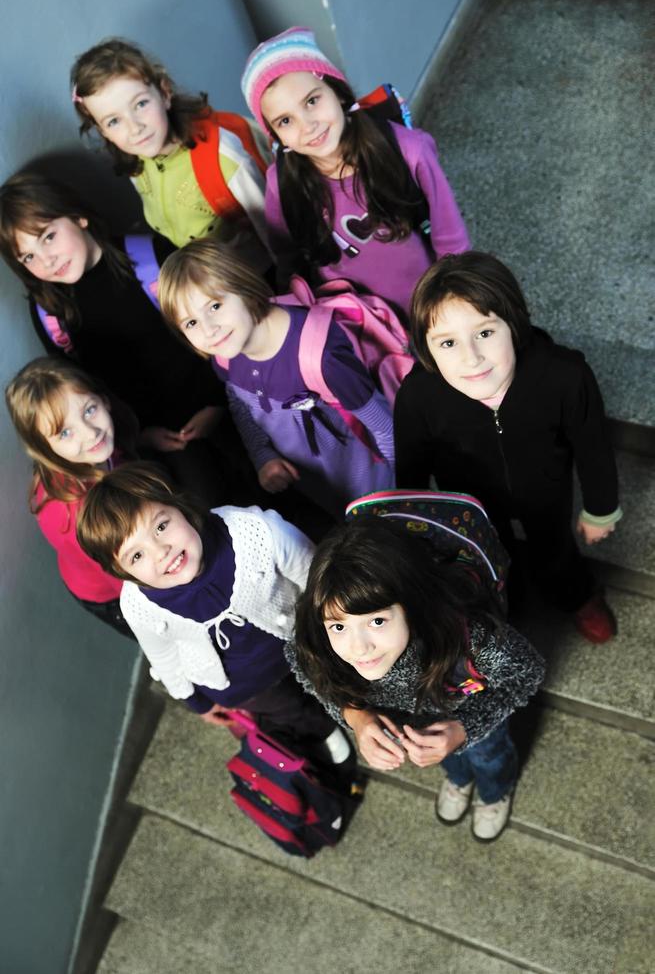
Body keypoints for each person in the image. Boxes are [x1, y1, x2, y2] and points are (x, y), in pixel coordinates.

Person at [394, 251, 621, 643]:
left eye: (484, 333)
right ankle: (504, 604)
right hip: (471, 499)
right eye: (447, 342)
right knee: (488, 558)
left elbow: (593, 445)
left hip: (546, 486)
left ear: (514, 324)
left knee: (555, 545)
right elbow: (411, 467)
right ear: (426, 349)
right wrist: (411, 524)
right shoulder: (418, 396)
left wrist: (600, 509)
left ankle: (577, 595)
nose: (471, 357)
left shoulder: (564, 375)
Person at [290, 515, 545, 841]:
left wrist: (465, 728)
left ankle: (495, 792)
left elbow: (527, 673)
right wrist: (356, 717)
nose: (359, 648)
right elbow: (306, 670)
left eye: (377, 621)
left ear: (412, 604)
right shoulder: (318, 641)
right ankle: (458, 778)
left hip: (472, 707)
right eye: (338, 626)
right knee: (446, 757)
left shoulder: (470, 637)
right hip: (420, 724)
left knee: (488, 755)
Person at [76, 461, 351, 763]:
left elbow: (313, 576)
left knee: (325, 679)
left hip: (299, 642)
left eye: (161, 526)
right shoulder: (138, 605)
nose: (161, 550)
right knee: (289, 709)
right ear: (123, 572)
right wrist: (197, 702)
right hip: (243, 685)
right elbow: (164, 656)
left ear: (178, 505)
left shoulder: (255, 532)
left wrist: (336, 627)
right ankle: (322, 729)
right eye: (137, 555)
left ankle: (346, 705)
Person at [0, 171, 239, 508]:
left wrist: (216, 402)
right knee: (205, 501)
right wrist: (139, 435)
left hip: (223, 395)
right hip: (151, 437)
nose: (46, 260)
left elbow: (216, 326)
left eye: (49, 237)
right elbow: (81, 393)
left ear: (78, 217)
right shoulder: (50, 313)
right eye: (28, 257)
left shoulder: (151, 257)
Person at [157, 237, 395, 520]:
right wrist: (263, 457)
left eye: (215, 306)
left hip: (374, 492)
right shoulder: (224, 355)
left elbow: (385, 428)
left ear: (243, 287)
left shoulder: (322, 358)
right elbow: (242, 407)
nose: (209, 330)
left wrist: (404, 497)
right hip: (322, 489)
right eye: (191, 323)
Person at [241, 26, 469, 317]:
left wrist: (457, 293)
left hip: (430, 302)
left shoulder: (408, 150)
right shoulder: (281, 182)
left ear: (337, 92)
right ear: (276, 135)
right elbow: (289, 260)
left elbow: (450, 234)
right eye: (285, 120)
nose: (307, 125)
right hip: (356, 323)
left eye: (312, 101)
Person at [70, 37, 271, 270]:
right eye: (114, 121)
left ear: (164, 93)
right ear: (102, 130)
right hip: (208, 280)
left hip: (258, 278)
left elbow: (277, 234)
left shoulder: (223, 155)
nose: (135, 128)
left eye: (141, 104)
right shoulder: (137, 161)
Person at [5, 357, 136, 637]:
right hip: (115, 592)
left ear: (104, 400)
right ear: (45, 450)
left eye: (89, 410)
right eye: (65, 432)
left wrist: (144, 440)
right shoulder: (70, 517)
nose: (90, 433)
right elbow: (129, 586)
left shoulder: (90, 451)